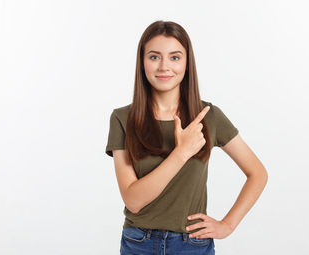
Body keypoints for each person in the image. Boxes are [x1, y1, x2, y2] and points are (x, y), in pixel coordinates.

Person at [105, 20, 268, 255]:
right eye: (154, 57)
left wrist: (227, 225)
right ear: (142, 63)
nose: (164, 67)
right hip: (138, 243)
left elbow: (258, 173)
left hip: (192, 245)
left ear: (187, 63)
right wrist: (181, 153)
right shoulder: (122, 119)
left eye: (174, 57)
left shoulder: (209, 117)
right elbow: (133, 200)